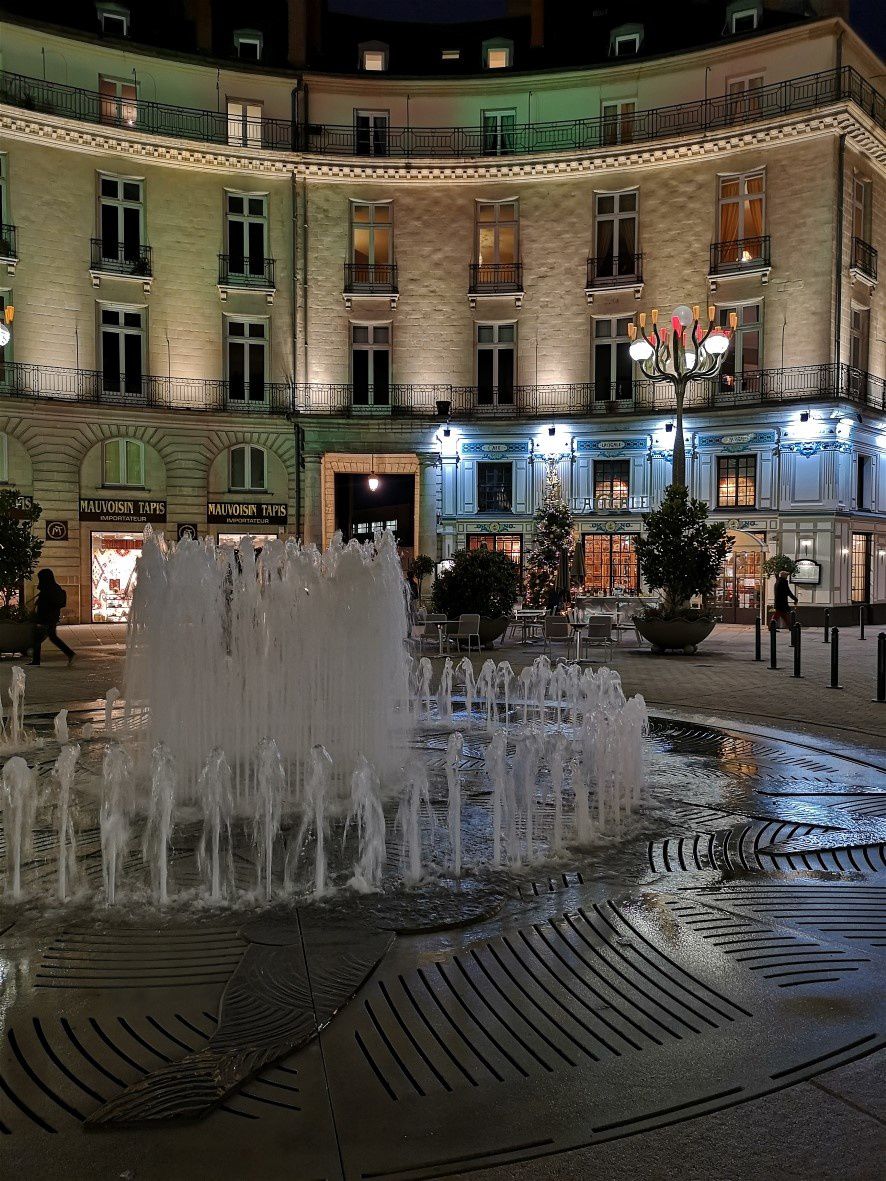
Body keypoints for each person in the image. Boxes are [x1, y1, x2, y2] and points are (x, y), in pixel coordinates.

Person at [31, 569, 75, 666]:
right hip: (52, 617)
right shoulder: (54, 588)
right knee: (52, 637)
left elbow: (44, 606)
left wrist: (39, 618)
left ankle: (36, 660)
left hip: (46, 618)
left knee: (38, 638)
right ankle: (69, 653)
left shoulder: (47, 590)